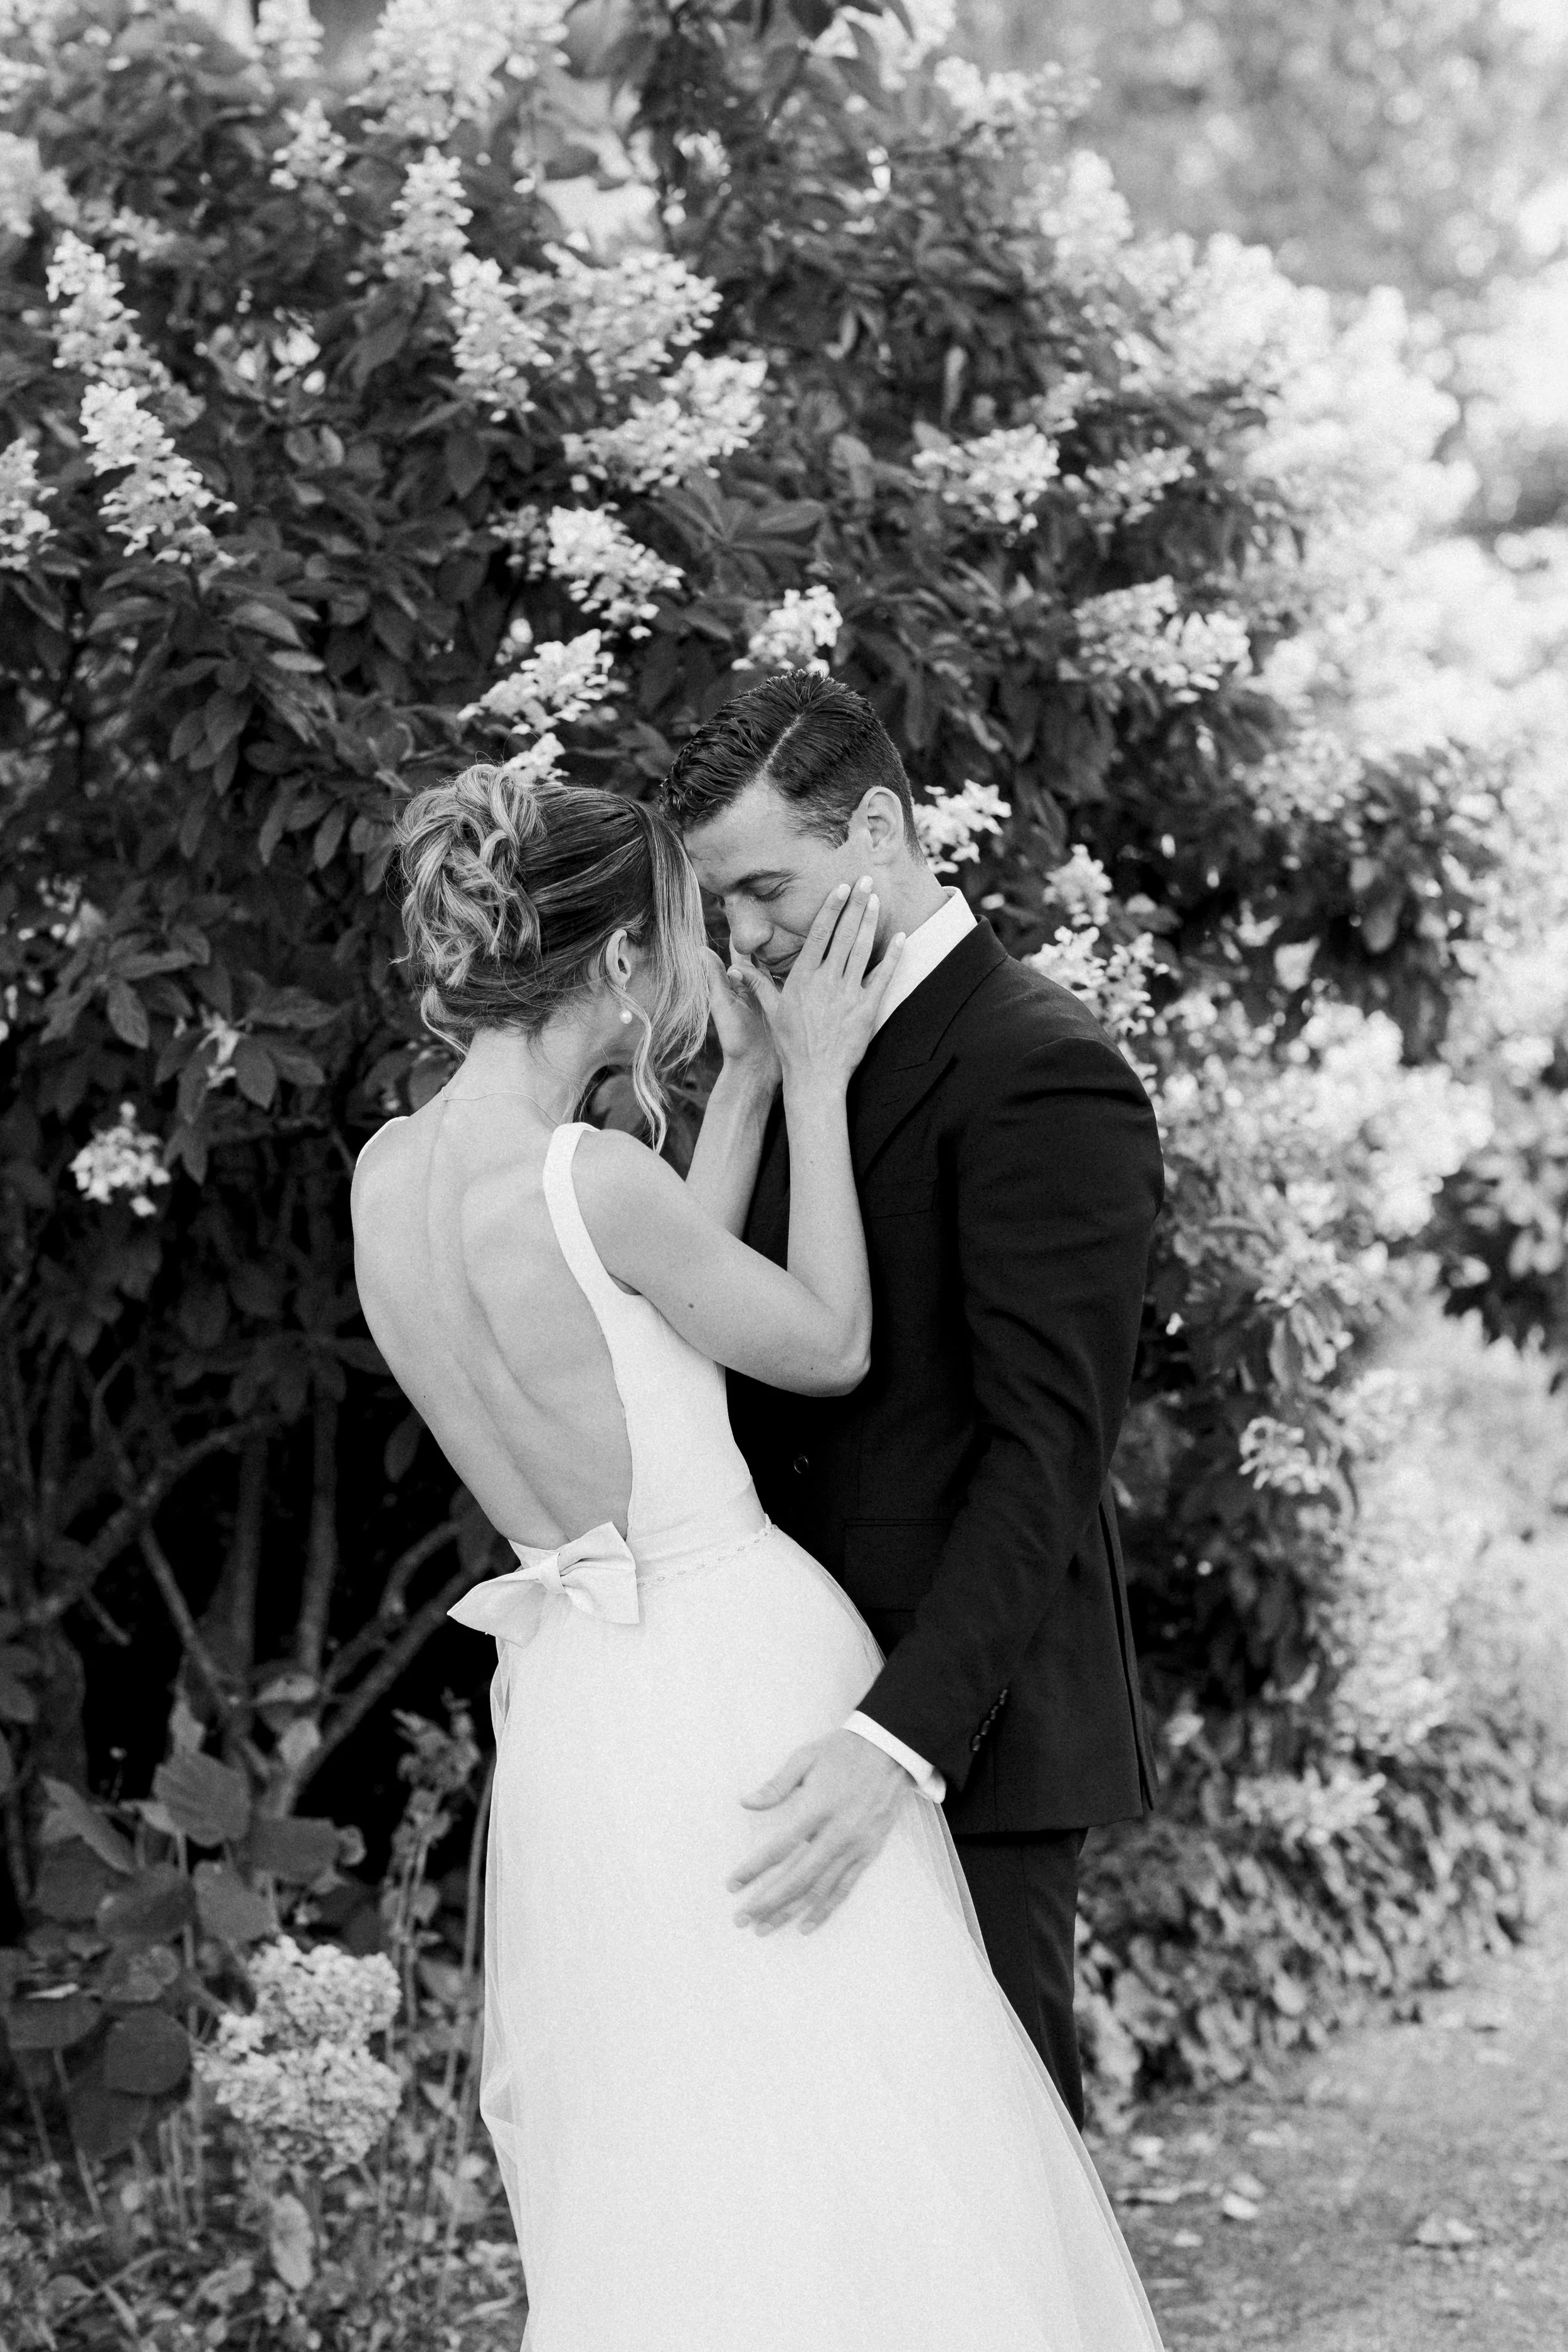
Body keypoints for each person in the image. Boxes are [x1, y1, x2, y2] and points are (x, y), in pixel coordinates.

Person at [352, 761, 1165, 2351]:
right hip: (732, 1673)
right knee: (874, 2136)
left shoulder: (391, 1178)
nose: (691, 960)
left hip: (583, 1707)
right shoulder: (599, 1181)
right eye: (669, 933)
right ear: (610, 963)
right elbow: (823, 1341)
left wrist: (724, 1096)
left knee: (682, 2151)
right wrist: (801, 1079)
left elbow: (647, 1301)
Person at [662, 669, 1163, 2126]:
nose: (741, 938)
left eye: (763, 888)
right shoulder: (787, 1055)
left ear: (875, 829)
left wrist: (898, 1741)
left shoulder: (1042, 1067)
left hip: (966, 1741)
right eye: (721, 909)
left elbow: (1045, 1455)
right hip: (777, 1699)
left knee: (999, 2177)